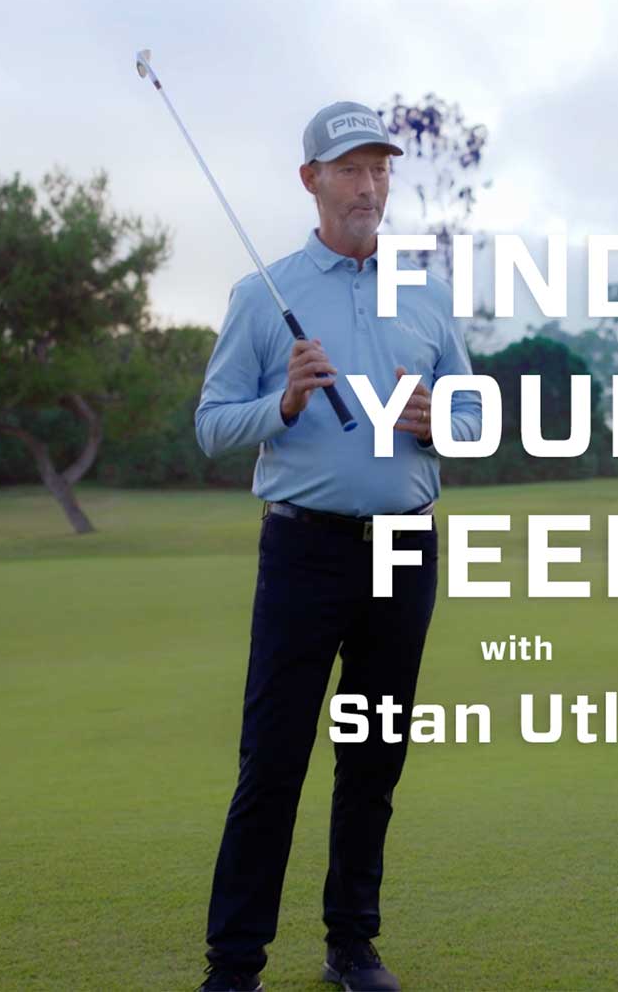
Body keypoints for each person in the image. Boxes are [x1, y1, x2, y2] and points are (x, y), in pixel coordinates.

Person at [192, 100, 481, 992]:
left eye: (381, 169)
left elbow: (474, 417)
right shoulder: (264, 295)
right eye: (350, 169)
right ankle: (235, 964)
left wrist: (442, 423)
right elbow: (209, 427)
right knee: (273, 760)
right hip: (305, 552)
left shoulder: (427, 296)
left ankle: (352, 943)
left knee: (373, 758)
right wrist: (280, 402)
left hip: (404, 548)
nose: (369, 186)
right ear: (311, 179)